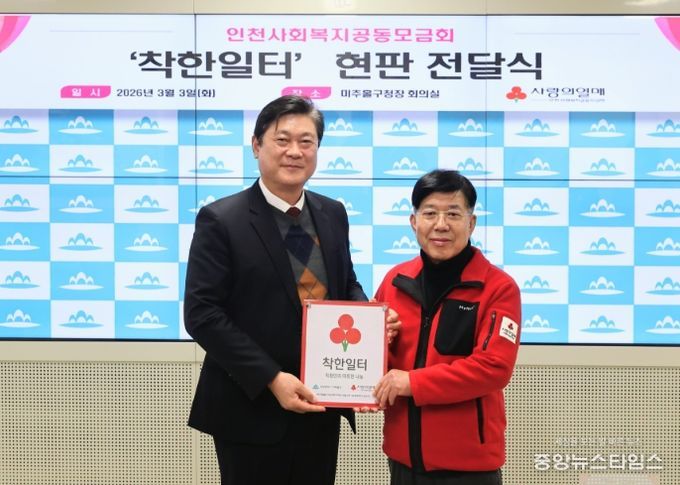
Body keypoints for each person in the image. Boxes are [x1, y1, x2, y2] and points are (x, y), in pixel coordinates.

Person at [183, 95, 370, 485]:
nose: (294, 151)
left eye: (306, 141)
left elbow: (346, 283)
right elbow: (202, 314)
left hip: (322, 400)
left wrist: (368, 323)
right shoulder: (221, 219)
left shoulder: (333, 212)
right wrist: (271, 377)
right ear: (257, 145)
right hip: (250, 407)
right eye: (282, 140)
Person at [372, 169, 521, 485]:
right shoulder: (395, 281)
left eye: (453, 214)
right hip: (402, 461)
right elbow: (375, 360)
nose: (441, 224)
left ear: (472, 223)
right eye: (430, 213)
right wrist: (375, 355)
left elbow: (493, 368)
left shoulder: (498, 288)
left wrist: (412, 383)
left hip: (469, 468)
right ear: (414, 222)